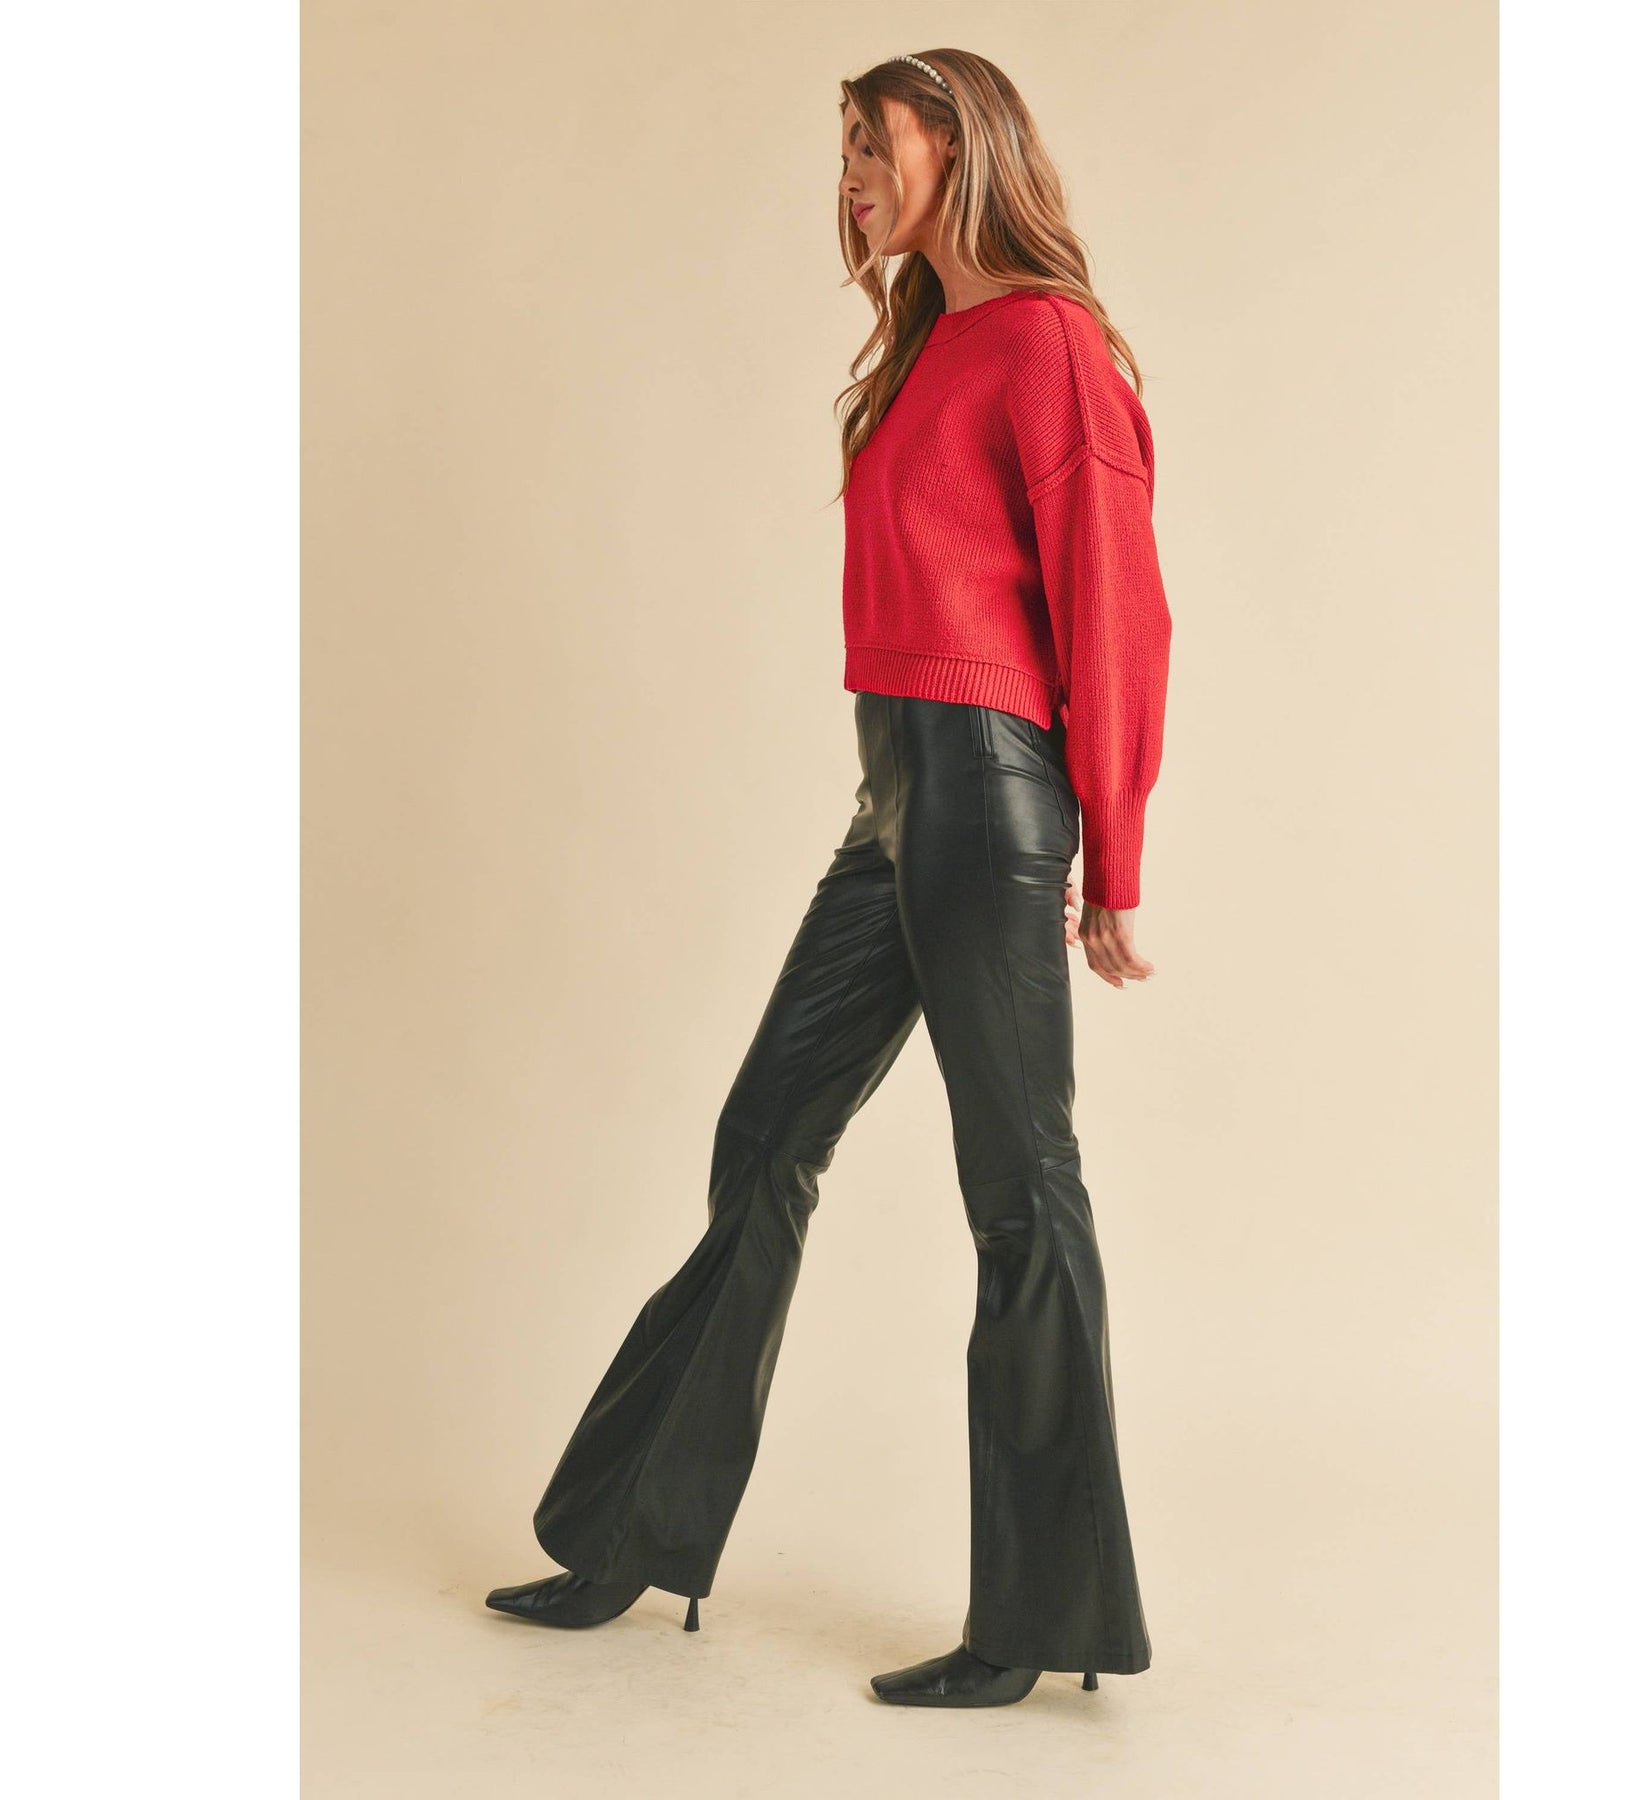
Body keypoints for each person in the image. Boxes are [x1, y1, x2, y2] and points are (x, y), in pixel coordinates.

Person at [486, 47, 1173, 1710]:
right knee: (766, 1137)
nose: (853, 173)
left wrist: (1114, 846)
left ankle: (1043, 1620)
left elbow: (1115, 604)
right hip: (899, 798)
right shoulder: (930, 342)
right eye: (847, 147)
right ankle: (634, 1534)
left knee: (1021, 1190)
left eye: (877, 142)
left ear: (966, 145)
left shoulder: (1049, 344)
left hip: (989, 796)